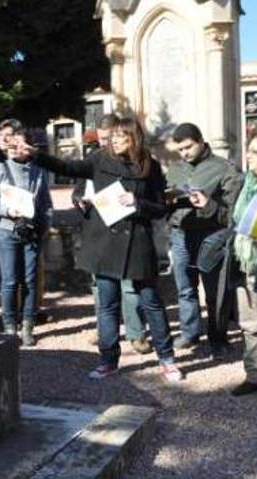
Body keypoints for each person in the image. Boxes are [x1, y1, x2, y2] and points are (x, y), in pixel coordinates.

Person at [27, 117, 183, 381]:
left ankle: (167, 358)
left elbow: (161, 208)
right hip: (104, 243)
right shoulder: (100, 159)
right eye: (114, 137)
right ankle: (108, 360)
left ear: (135, 139)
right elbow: (68, 166)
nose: (116, 141)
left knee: (152, 303)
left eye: (123, 137)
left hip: (137, 244)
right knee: (108, 305)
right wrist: (36, 156)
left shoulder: (150, 166)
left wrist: (138, 203)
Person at [72, 114, 151, 354]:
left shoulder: (136, 163)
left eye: (108, 139)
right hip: (98, 231)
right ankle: (105, 331)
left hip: (124, 232)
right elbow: (78, 189)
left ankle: (136, 334)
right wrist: (79, 201)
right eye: (101, 139)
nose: (105, 144)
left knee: (129, 287)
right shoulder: (95, 160)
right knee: (100, 287)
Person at [165, 123, 243, 359]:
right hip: (181, 234)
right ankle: (189, 334)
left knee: (214, 292)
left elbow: (233, 213)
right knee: (185, 288)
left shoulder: (225, 168)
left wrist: (208, 204)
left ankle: (218, 339)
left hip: (212, 235)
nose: (184, 153)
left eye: (188, 147)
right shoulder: (174, 169)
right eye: (180, 150)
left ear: (201, 141)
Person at [0, 128, 52, 346]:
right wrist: (6, 211)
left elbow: (46, 204)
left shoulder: (39, 171)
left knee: (31, 280)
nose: (14, 148)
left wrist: (44, 227)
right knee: (10, 280)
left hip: (32, 232)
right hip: (6, 231)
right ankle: (9, 324)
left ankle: (28, 325)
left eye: (19, 144)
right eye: (11, 144)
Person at [227, 131, 257, 402]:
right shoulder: (247, 184)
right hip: (246, 263)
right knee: (250, 323)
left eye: (255, 152)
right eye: (248, 150)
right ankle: (255, 375)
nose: (248, 156)